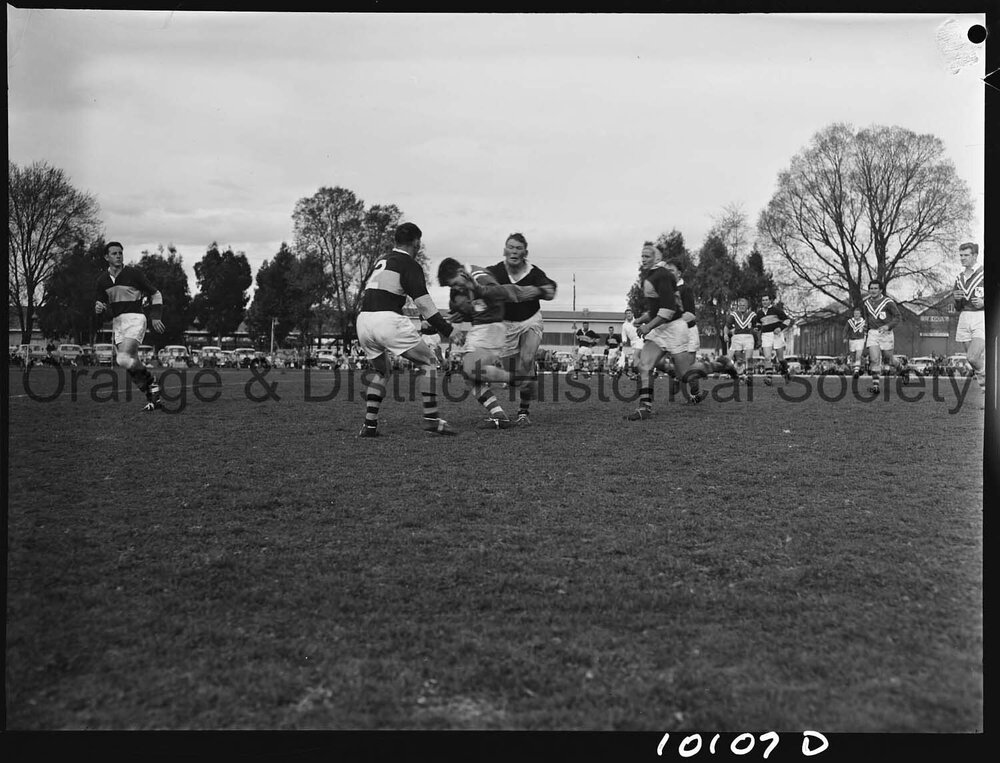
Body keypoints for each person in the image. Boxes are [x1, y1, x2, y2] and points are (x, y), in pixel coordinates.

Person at [355, 222, 458, 437]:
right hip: (387, 319)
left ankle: (370, 425)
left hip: (363, 321)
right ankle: (431, 419)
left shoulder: (381, 260)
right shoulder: (409, 263)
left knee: (382, 371)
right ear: (416, 242)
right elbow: (424, 303)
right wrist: (448, 330)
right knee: (429, 363)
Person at [437, 257, 554, 428]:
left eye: (454, 283)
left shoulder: (479, 276)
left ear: (460, 272)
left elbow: (499, 293)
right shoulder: (465, 282)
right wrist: (461, 314)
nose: (454, 288)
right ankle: (499, 415)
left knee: (472, 369)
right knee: (470, 377)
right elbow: (473, 305)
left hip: (489, 328)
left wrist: (478, 289)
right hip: (482, 328)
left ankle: (520, 380)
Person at [486, 232, 557, 426]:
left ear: (525, 252)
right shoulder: (496, 271)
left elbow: (552, 289)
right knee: (516, 375)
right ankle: (526, 379)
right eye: (510, 247)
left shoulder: (533, 273)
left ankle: (523, 412)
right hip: (507, 326)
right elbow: (477, 280)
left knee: (526, 360)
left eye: (518, 248)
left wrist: (537, 291)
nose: (514, 251)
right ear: (504, 250)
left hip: (530, 320)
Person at [625, 244, 700, 420]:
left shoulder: (662, 276)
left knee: (685, 375)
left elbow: (668, 311)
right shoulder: (653, 275)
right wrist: (644, 319)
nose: (643, 259)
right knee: (644, 365)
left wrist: (648, 326)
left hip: (674, 328)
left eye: (647, 256)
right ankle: (645, 408)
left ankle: (719, 366)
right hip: (661, 328)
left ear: (657, 258)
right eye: (642, 256)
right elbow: (658, 308)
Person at [94, 241, 164, 411]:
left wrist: (155, 316)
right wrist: (98, 309)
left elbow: (156, 293)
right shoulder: (102, 280)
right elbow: (102, 309)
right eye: (114, 253)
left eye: (120, 253)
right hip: (117, 323)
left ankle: (152, 384)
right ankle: (153, 397)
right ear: (106, 257)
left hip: (135, 319)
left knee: (123, 358)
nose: (118, 256)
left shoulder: (134, 274)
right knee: (130, 363)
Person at [953, 241, 985, 393]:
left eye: (966, 255)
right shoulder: (959, 278)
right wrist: (957, 299)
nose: (963, 258)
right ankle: (987, 390)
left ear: (975, 256)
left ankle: (989, 383)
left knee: (973, 357)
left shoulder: (985, 273)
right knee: (972, 360)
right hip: (964, 318)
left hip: (981, 317)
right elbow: (958, 307)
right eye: (961, 255)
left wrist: (984, 303)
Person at [861, 279, 902, 394]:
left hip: (886, 334)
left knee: (888, 358)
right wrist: (865, 328)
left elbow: (898, 317)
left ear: (881, 290)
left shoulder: (888, 302)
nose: (873, 291)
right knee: (874, 359)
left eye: (875, 288)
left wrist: (888, 326)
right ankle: (876, 386)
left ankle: (901, 368)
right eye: (871, 288)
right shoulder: (866, 303)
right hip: (873, 333)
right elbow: (866, 319)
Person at [757, 294, 793, 385]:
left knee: (780, 358)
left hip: (777, 335)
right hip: (766, 336)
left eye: (766, 300)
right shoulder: (759, 313)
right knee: (767, 357)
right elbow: (758, 324)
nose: (764, 302)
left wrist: (780, 328)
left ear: (770, 301)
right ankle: (769, 378)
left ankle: (785, 372)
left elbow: (787, 320)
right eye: (763, 300)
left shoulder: (776, 310)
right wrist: (756, 329)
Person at [725, 297, 758, 386]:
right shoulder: (734, 314)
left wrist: (757, 332)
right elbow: (727, 326)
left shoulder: (752, 314)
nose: (742, 307)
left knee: (749, 357)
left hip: (748, 337)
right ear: (738, 306)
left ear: (747, 306)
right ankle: (741, 376)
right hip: (737, 337)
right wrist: (725, 334)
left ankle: (750, 377)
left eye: (744, 305)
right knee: (739, 359)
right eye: (740, 305)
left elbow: (756, 326)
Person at [615, 309, 643, 380]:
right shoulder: (624, 325)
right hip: (632, 342)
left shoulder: (638, 321)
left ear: (633, 314)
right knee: (636, 358)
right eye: (627, 313)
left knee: (635, 357)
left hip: (640, 340)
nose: (628, 315)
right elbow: (623, 335)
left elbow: (645, 328)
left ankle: (636, 373)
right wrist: (623, 341)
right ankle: (638, 374)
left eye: (630, 313)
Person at [843, 306, 867, 378]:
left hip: (860, 340)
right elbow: (845, 330)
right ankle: (854, 370)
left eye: (857, 314)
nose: (856, 315)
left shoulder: (864, 322)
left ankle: (856, 371)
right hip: (852, 340)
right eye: (855, 314)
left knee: (858, 356)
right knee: (853, 356)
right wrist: (845, 337)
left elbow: (866, 330)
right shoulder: (850, 322)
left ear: (860, 314)